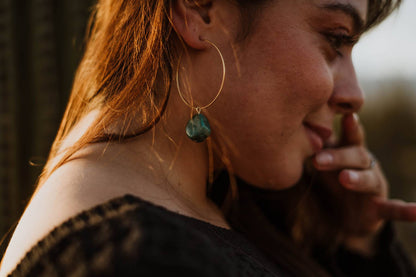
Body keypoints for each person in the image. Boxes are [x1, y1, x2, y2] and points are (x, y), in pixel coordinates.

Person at [1, 0, 415, 276]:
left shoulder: (214, 205)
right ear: (199, 10)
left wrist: (356, 242)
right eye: (335, 40)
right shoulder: (133, 257)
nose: (353, 95)